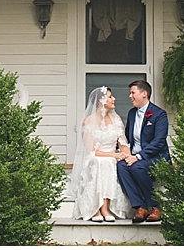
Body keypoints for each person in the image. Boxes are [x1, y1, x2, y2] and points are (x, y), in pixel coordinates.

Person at [67, 86, 132, 222]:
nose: (113, 99)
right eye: (110, 96)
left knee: (109, 163)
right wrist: (114, 155)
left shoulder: (116, 119)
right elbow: (91, 150)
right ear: (101, 101)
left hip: (112, 156)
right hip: (96, 156)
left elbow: (123, 143)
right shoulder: (88, 121)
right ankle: (95, 208)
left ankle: (105, 208)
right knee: (100, 162)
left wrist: (126, 155)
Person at [116, 79, 170, 223]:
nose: (130, 96)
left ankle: (154, 206)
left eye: (133, 93)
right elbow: (127, 137)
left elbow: (158, 142)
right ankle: (140, 206)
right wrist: (123, 153)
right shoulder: (132, 114)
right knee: (121, 166)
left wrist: (138, 157)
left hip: (156, 157)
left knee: (136, 166)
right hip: (135, 156)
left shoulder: (159, 115)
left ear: (144, 94)